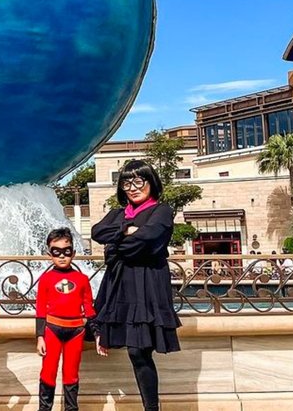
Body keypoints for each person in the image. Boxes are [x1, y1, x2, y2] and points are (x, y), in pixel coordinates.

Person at [91, 160, 181, 411]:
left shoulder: (161, 210)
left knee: (140, 349)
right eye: (127, 182)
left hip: (148, 284)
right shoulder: (120, 213)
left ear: (151, 182)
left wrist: (119, 242)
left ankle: (152, 408)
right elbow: (97, 232)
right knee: (133, 350)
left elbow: (148, 238)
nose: (133, 187)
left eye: (139, 181)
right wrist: (126, 229)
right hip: (120, 285)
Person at [36, 227, 96, 411]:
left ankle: (72, 408)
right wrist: (40, 336)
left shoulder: (82, 279)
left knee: (71, 374)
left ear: (74, 253)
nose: (62, 256)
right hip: (52, 329)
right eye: (57, 252)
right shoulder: (45, 279)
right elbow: (40, 309)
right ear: (49, 254)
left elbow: (88, 307)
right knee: (48, 372)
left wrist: (98, 332)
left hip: (76, 331)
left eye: (66, 251)